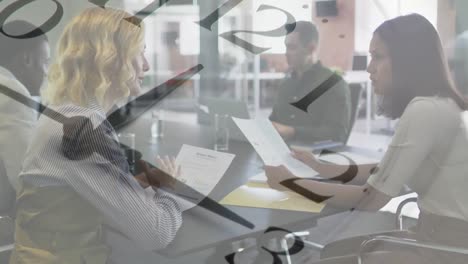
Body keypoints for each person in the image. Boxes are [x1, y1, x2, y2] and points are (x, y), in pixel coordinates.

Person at [265, 14, 468, 264]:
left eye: (378, 57)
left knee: (328, 258)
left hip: (446, 249)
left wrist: (291, 182)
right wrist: (322, 168)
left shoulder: (425, 110)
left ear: (408, 61)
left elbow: (369, 198)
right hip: (443, 237)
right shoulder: (442, 104)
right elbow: (384, 169)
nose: (369, 67)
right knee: (334, 251)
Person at [9, 8, 183, 264]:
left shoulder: (65, 112)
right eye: (139, 52)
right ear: (110, 58)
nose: (146, 64)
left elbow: (77, 182)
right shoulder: (82, 131)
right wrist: (169, 189)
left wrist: (133, 183)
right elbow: (157, 233)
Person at [269, 21, 351, 144]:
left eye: (292, 47)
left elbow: (337, 133)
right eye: (286, 47)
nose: (286, 53)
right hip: (281, 152)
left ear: (311, 48)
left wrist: (293, 131)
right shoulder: (286, 84)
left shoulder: (332, 84)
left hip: (313, 157)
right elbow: (274, 122)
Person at [0, 20, 50, 212]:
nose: (47, 73)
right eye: (45, 61)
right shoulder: (12, 94)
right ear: (27, 59)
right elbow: (30, 180)